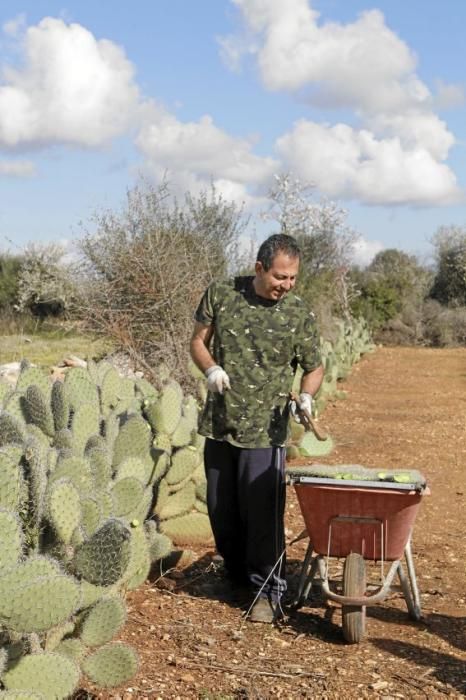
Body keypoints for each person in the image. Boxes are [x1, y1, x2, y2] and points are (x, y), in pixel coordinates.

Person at [190, 233, 324, 623]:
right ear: (259, 268)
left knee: (262, 514)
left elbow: (313, 366)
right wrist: (210, 368)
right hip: (220, 423)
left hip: (266, 431)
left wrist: (307, 395)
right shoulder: (222, 293)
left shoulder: (298, 313)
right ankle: (235, 578)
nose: (286, 285)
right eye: (280, 277)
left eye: (293, 278)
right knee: (221, 509)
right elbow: (198, 341)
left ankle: (269, 590)